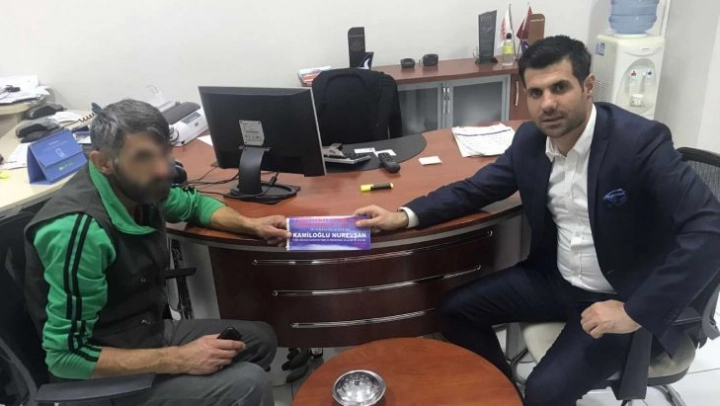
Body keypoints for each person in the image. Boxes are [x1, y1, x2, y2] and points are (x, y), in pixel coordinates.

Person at [353, 36, 720, 405]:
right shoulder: (530, 140)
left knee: (545, 391)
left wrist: (634, 311)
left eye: (559, 88)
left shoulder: (638, 142)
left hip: (619, 295)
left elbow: (709, 228)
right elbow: (476, 189)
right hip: (556, 280)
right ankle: (507, 396)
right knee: (455, 312)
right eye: (536, 92)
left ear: (588, 86)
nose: (547, 104)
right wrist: (404, 216)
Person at [24, 99, 290, 405]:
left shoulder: (138, 187)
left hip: (141, 333)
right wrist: (179, 359)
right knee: (249, 382)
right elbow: (65, 358)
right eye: (144, 157)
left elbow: (194, 205)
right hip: (97, 376)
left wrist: (251, 225)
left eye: (165, 152)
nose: (164, 169)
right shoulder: (78, 232)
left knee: (260, 339)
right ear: (103, 163)